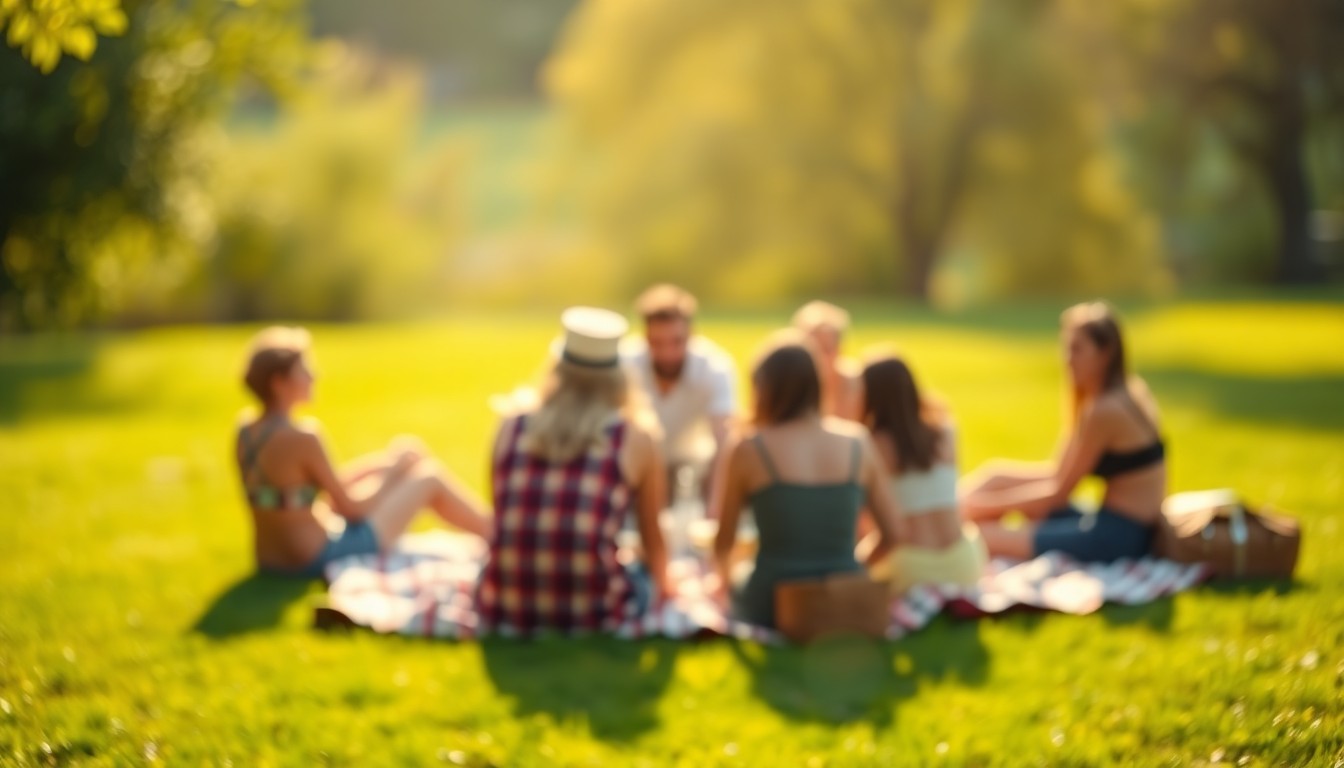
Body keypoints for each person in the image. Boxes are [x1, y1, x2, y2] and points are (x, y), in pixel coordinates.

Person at [235, 327, 491, 578]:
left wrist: (385, 463)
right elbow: (353, 509)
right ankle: (499, 534)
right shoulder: (304, 437)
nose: (315, 375)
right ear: (279, 383)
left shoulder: (246, 433)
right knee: (430, 478)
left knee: (406, 471)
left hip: (269, 560)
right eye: (304, 370)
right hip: (316, 557)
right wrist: (392, 470)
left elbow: (314, 489)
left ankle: (491, 528)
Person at [476, 307, 671, 635]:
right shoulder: (636, 437)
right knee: (639, 575)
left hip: (504, 602)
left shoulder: (510, 424)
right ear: (618, 377)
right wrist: (666, 586)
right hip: (594, 609)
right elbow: (653, 538)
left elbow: (503, 515)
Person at [711, 330, 900, 628]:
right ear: (817, 385)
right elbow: (894, 535)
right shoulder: (857, 442)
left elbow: (724, 541)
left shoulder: (748, 447)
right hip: (843, 597)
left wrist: (725, 585)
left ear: (763, 389)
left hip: (769, 605)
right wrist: (849, 568)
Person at [960, 302, 1166, 561]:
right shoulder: (1128, 391)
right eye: (1066, 348)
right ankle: (940, 513)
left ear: (1106, 353)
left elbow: (1057, 495)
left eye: (1077, 349)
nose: (1067, 359)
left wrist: (979, 507)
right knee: (997, 475)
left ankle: (939, 522)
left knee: (984, 535)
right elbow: (1059, 472)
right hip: (1117, 525)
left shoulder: (1105, 411)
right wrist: (993, 494)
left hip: (1119, 538)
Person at [860, 353, 986, 594]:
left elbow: (884, 533)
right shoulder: (946, 430)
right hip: (965, 563)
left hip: (912, 570)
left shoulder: (871, 445)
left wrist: (856, 565)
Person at [622, 284, 737, 496]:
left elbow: (724, 443)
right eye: (657, 343)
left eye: (677, 341)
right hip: (640, 464)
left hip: (693, 467)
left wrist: (717, 505)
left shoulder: (715, 367)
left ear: (691, 334)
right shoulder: (624, 364)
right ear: (645, 336)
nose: (667, 354)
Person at [792, 300, 864, 421]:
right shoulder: (790, 389)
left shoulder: (859, 385)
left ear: (840, 349)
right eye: (811, 351)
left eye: (826, 350)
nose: (818, 358)